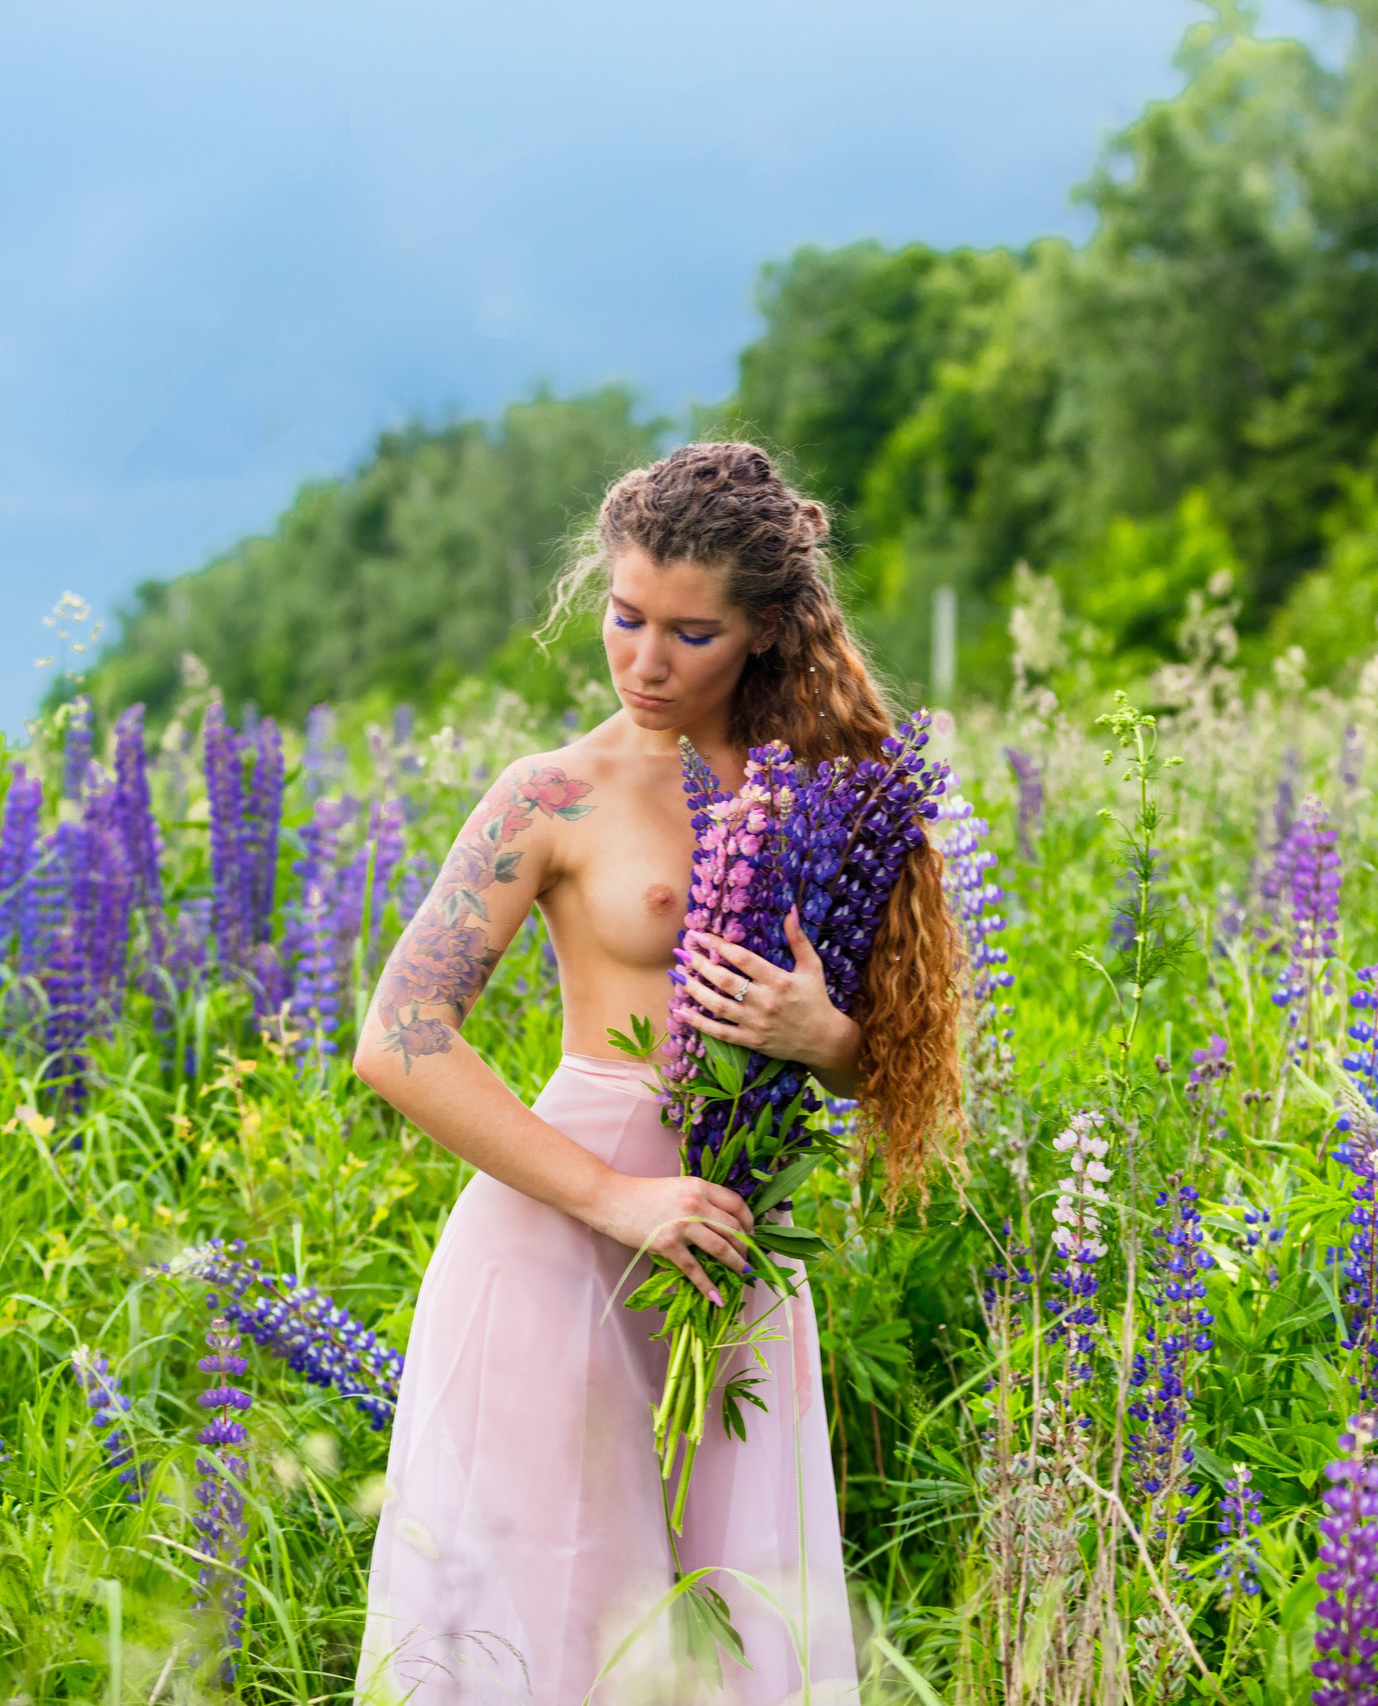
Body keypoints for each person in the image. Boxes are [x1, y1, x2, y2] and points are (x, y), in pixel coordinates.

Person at [352, 443, 964, 1704]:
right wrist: (616, 1197)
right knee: (558, 1623)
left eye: (691, 632)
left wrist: (825, 1039)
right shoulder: (548, 796)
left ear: (766, 632)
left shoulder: (842, 798)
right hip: (558, 1251)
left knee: (735, 1626)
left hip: (734, 1253)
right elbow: (399, 1035)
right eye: (625, 619)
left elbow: (890, 1063)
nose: (644, 660)